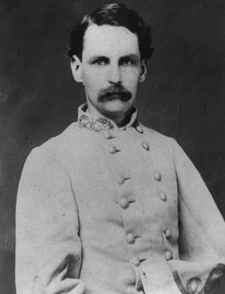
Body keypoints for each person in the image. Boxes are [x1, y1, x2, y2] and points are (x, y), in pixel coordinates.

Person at [15, 3, 225, 294]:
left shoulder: (169, 150)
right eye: (100, 61)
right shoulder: (51, 160)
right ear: (77, 68)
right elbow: (43, 286)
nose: (115, 76)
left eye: (126, 61)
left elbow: (217, 247)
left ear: (142, 69)